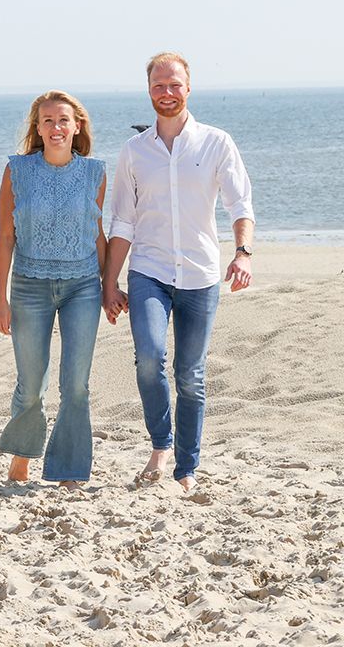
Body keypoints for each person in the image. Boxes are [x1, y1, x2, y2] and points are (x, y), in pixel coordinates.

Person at [103, 52, 254, 491]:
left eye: (174, 85)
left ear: (189, 87)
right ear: (148, 90)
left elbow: (240, 205)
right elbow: (123, 222)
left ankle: (186, 468)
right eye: (158, 86)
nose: (166, 93)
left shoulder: (217, 143)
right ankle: (160, 445)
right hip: (148, 270)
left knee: (191, 374)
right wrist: (109, 282)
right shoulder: (134, 152)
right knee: (149, 359)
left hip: (200, 273)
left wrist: (243, 253)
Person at [0, 91, 106, 489]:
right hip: (29, 286)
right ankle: (22, 455)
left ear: (77, 126)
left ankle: (69, 469)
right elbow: (6, 236)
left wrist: (110, 287)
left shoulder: (95, 173)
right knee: (31, 383)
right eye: (47, 121)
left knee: (75, 383)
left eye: (63, 120)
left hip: (83, 286)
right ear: (37, 129)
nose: (56, 128)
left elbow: (98, 234)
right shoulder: (17, 170)